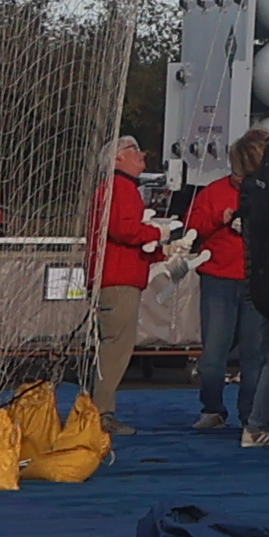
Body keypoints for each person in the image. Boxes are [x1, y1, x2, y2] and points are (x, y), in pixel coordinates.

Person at [190, 131, 269, 442]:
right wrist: (219, 218)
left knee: (254, 352)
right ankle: (212, 408)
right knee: (214, 351)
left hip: (256, 280)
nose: (240, 179)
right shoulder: (213, 192)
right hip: (218, 280)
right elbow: (194, 227)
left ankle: (249, 414)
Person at [84, 135, 167, 442]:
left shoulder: (114, 188)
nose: (142, 154)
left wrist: (161, 250)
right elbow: (123, 229)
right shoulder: (122, 188)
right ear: (117, 159)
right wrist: (158, 233)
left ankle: (97, 409)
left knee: (112, 346)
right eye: (134, 150)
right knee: (116, 348)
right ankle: (100, 413)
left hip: (115, 276)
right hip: (118, 279)